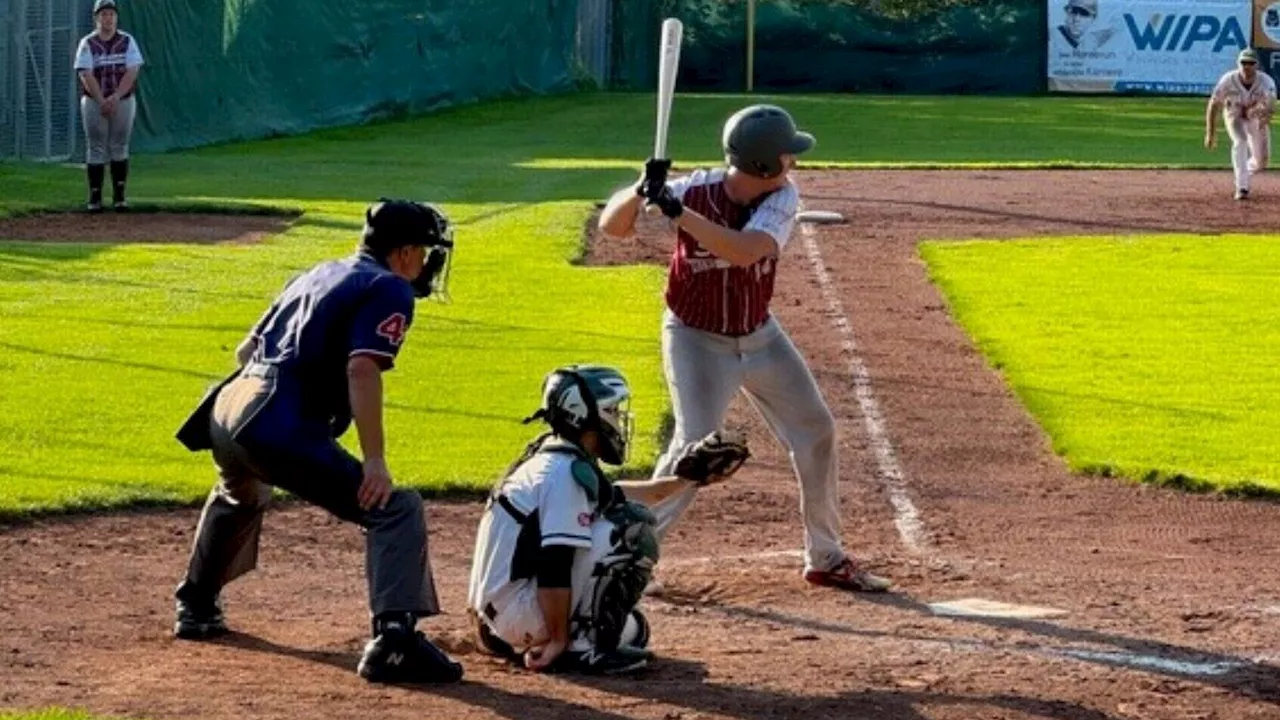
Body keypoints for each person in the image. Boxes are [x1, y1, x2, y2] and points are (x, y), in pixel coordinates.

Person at [597, 104, 892, 594]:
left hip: (761, 336)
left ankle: (826, 557)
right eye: (786, 155)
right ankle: (630, 558)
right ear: (763, 165)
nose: (793, 163)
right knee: (694, 448)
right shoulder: (694, 188)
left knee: (816, 429)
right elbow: (614, 227)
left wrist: (677, 213)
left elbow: (746, 250)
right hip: (695, 338)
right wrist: (640, 190)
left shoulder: (782, 198)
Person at [172, 199, 463, 685]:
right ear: (406, 252)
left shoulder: (319, 272)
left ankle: (196, 605)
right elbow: (362, 368)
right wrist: (375, 461)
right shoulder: (389, 287)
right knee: (394, 509)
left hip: (227, 406)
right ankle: (395, 642)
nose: (430, 262)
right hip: (274, 418)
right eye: (428, 251)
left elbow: (247, 350)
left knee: (240, 495)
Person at [467, 365, 747, 674]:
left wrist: (686, 480)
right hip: (517, 614)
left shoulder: (554, 457)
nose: (617, 417)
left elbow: (617, 494)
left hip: (499, 616)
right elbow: (554, 564)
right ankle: (582, 649)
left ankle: (568, 638)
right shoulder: (562, 474)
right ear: (583, 414)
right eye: (611, 409)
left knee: (634, 629)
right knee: (632, 527)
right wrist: (559, 640)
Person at [73, 0, 143, 212]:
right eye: (103, 14)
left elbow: (132, 70)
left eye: (111, 14)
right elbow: (85, 73)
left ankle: (119, 197)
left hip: (123, 100)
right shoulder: (88, 43)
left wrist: (116, 96)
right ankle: (94, 198)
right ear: (96, 18)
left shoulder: (127, 40)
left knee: (119, 145)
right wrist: (102, 100)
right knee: (96, 147)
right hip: (95, 102)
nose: (108, 18)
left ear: (116, 17)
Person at [1206, 48, 1277, 200]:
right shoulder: (1228, 79)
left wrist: (1264, 118)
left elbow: (1271, 106)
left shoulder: (1266, 82)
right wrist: (1211, 133)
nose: (1247, 66)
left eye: (1251, 63)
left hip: (1255, 117)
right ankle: (1241, 187)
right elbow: (1214, 104)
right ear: (1238, 64)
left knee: (1261, 162)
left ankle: (1243, 171)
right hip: (1234, 114)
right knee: (1240, 141)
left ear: (1257, 65)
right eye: (1244, 62)